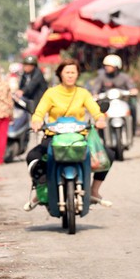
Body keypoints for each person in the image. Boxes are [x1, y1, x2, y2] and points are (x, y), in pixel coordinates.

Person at [24, 59, 114, 209]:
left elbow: (96, 111)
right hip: (54, 137)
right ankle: (41, 192)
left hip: (78, 137)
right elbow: (39, 112)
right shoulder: (51, 93)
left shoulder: (83, 93)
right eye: (67, 72)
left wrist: (100, 119)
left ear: (77, 74)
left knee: (108, 155)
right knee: (32, 157)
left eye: (73, 72)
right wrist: (36, 121)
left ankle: (94, 191)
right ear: (60, 74)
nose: (70, 75)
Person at [90, 54, 138, 135]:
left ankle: (132, 130)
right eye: (106, 66)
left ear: (116, 66)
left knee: (133, 107)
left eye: (109, 66)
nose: (106, 67)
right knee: (98, 111)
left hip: (122, 102)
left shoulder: (124, 77)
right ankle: (101, 132)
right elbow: (95, 89)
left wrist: (133, 91)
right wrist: (95, 94)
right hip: (106, 102)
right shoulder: (101, 77)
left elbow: (131, 87)